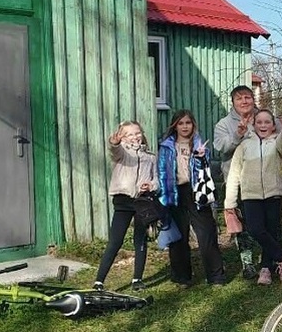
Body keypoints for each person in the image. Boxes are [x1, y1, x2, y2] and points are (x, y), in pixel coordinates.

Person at [213, 85, 281, 279]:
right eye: (239, 99)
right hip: (237, 180)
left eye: (248, 98)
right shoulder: (224, 124)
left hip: (266, 181)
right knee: (244, 226)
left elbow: (281, 135)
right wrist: (239, 134)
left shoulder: (263, 117)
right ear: (233, 102)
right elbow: (221, 146)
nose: (244, 102)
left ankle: (272, 261)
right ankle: (247, 262)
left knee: (270, 224)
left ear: (253, 100)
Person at [158, 110, 228, 287]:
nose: (184, 127)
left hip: (197, 192)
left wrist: (200, 156)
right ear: (175, 126)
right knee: (178, 238)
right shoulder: (166, 146)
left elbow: (204, 170)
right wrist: (162, 198)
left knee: (206, 234)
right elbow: (161, 172)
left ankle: (216, 276)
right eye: (180, 123)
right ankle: (182, 277)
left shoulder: (199, 144)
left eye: (187, 123)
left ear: (193, 125)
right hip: (174, 193)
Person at [224, 110, 282, 285]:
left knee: (272, 231)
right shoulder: (244, 145)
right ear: (253, 125)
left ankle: (266, 269)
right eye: (259, 122)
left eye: (267, 122)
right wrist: (230, 202)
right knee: (256, 230)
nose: (263, 126)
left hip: (273, 195)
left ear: (272, 125)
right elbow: (234, 175)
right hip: (250, 196)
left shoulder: (276, 142)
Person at [94, 121, 158, 292]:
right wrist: (114, 144)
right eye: (129, 134)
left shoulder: (150, 156)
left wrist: (150, 186)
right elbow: (114, 151)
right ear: (122, 137)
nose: (135, 137)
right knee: (115, 241)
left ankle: (137, 279)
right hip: (123, 201)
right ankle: (99, 281)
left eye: (137, 133)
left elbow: (156, 179)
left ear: (142, 134)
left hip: (142, 202)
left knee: (140, 241)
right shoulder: (122, 153)